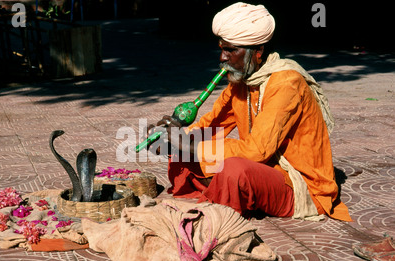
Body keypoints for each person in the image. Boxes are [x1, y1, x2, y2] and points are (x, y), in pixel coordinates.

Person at [148, 2, 351, 222]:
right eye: (222, 49)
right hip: (263, 168)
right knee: (185, 155)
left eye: (231, 50)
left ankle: (230, 194)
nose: (222, 58)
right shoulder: (240, 83)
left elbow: (258, 150)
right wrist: (172, 138)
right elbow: (212, 125)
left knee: (234, 170)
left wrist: (189, 145)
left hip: (298, 182)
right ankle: (232, 193)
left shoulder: (287, 83)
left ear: (258, 51)